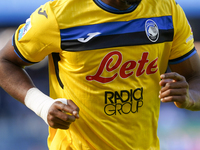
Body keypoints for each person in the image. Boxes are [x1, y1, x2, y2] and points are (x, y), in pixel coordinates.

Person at [0, 0, 200, 149]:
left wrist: (190, 97)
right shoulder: (59, 14)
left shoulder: (168, 11)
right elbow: (4, 62)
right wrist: (42, 105)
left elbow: (195, 78)